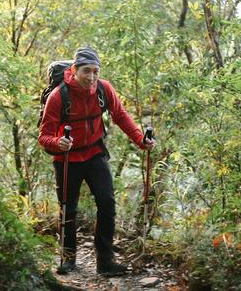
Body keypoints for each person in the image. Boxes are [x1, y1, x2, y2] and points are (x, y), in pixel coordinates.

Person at [38, 46, 155, 276]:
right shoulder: (58, 96)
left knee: (107, 203)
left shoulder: (103, 89)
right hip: (67, 158)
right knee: (68, 209)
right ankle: (68, 258)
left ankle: (105, 261)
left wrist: (141, 140)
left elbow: (121, 116)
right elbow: (44, 136)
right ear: (74, 70)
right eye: (86, 71)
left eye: (95, 71)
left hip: (94, 154)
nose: (91, 77)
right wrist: (57, 143)